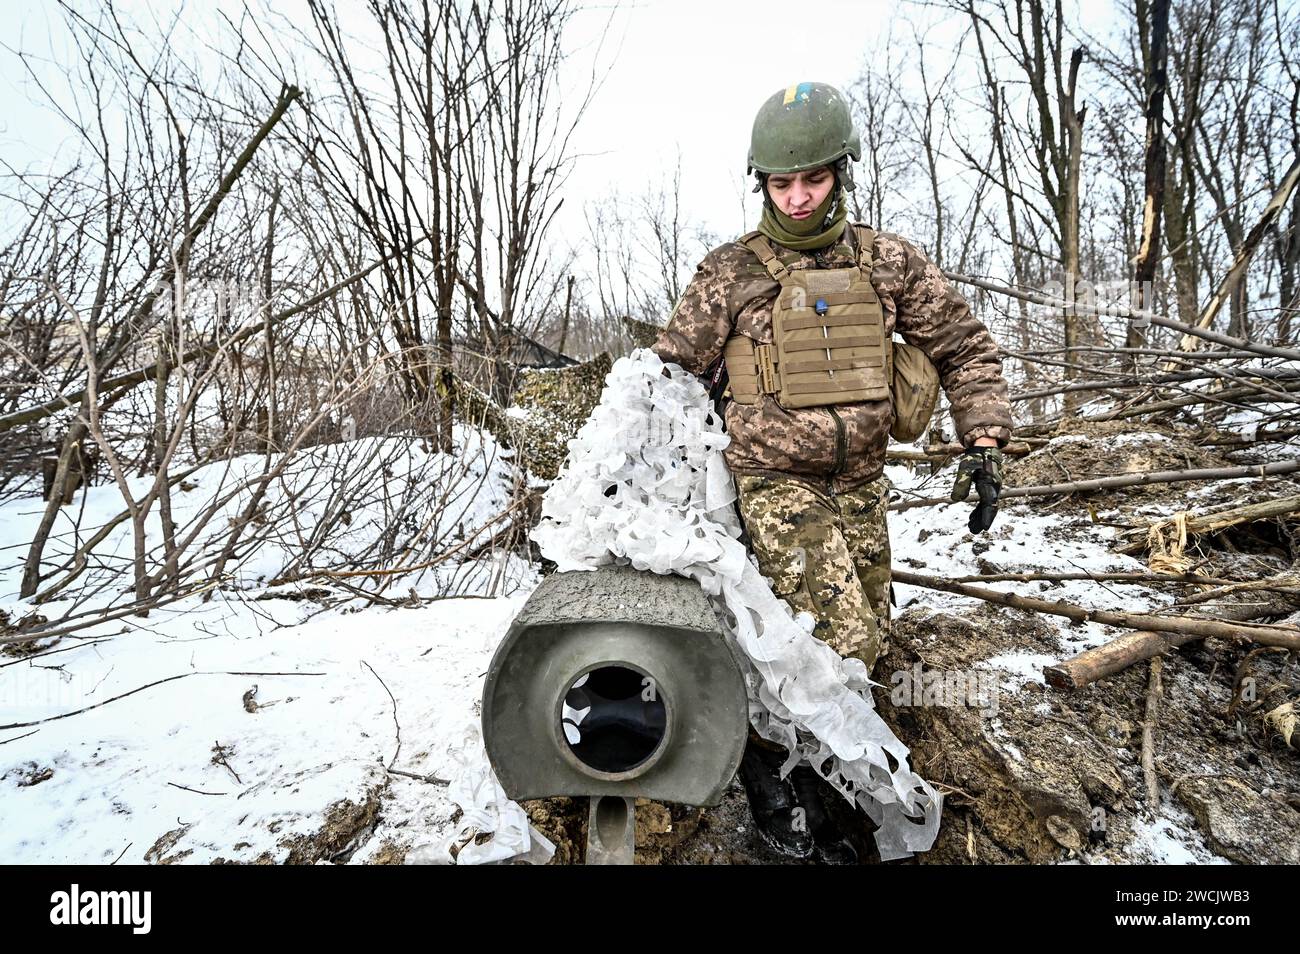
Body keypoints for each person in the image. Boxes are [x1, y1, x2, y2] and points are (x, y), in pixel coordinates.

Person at [651, 81, 1014, 863]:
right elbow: (665, 374)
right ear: (762, 184)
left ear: (841, 172)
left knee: (867, 646)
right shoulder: (730, 275)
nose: (800, 195)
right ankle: (783, 783)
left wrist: (984, 441)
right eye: (783, 183)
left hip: (862, 484)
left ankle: (805, 761)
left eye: (814, 178)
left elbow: (961, 346)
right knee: (834, 637)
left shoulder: (887, 260)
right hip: (775, 481)